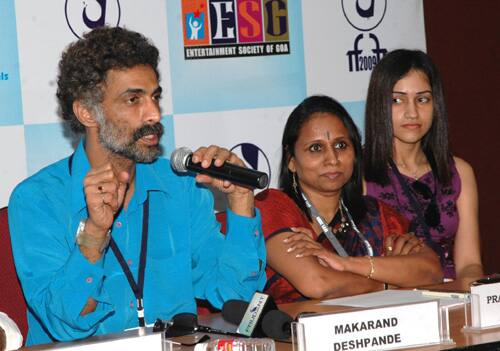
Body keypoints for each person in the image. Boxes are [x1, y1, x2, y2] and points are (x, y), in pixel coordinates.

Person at [8, 26, 266, 346]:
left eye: (155, 97)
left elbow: (239, 302)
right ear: (87, 112)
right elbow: (67, 326)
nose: (154, 114)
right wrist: (93, 236)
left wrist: (241, 204)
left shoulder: (184, 186)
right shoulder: (38, 199)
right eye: (133, 99)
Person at [254, 95, 442, 304]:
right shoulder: (272, 206)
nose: (333, 159)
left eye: (341, 145)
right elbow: (317, 283)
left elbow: (431, 271)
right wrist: (388, 285)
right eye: (316, 148)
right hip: (293, 333)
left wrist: (346, 264)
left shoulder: (375, 215)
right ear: (291, 161)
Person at [363, 49, 483, 280]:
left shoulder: (459, 172)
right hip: (390, 298)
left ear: (435, 104)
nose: (412, 112)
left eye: (422, 99)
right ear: (379, 105)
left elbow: (469, 264)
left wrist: (471, 297)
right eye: (397, 100)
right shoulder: (359, 174)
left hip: (450, 296)